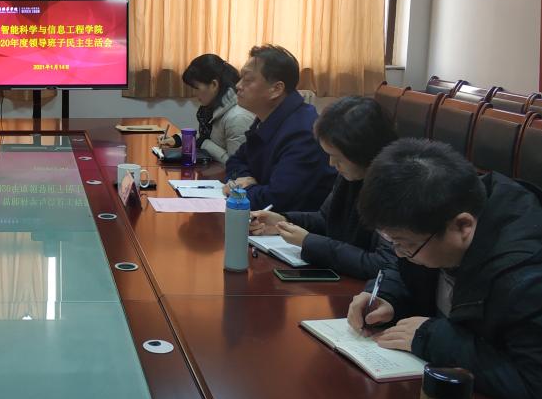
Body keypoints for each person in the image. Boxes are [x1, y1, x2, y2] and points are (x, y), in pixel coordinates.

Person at [346, 138, 542, 399]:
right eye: (391, 242)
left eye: (405, 244)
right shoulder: (437, 214)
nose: (398, 253)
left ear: (463, 226)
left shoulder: (529, 281)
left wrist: (437, 340)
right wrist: (387, 295)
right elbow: (405, 264)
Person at [249, 96, 397, 279]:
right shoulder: (352, 173)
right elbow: (326, 219)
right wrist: (283, 220)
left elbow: (382, 264)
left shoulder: (395, 188)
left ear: (363, 152)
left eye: (338, 158)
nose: (332, 164)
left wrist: (308, 242)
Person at [223, 44, 336, 212]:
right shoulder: (267, 118)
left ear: (276, 89)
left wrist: (240, 189)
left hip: (293, 224)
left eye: (248, 80)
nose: (238, 85)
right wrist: (244, 179)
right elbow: (235, 161)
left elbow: (275, 201)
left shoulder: (304, 132)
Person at [157, 54, 253, 164]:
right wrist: (177, 140)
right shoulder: (215, 107)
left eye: (196, 88)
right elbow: (206, 136)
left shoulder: (238, 118)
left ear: (214, 85)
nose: (194, 94)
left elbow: (237, 166)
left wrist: (204, 144)